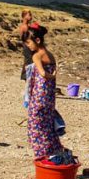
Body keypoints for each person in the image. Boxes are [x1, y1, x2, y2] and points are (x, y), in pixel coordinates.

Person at [24, 24, 63, 159]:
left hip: (39, 96)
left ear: (38, 40)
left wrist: (52, 76)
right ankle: (53, 156)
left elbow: (42, 73)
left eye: (29, 42)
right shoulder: (50, 55)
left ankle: (41, 160)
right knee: (47, 127)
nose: (28, 46)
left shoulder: (37, 55)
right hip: (49, 97)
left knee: (36, 129)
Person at [17, 9, 34, 80]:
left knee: (28, 62)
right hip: (27, 47)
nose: (31, 16)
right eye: (29, 15)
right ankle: (27, 77)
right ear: (24, 16)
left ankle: (26, 77)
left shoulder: (27, 26)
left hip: (28, 47)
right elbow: (23, 38)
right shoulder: (24, 26)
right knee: (29, 62)